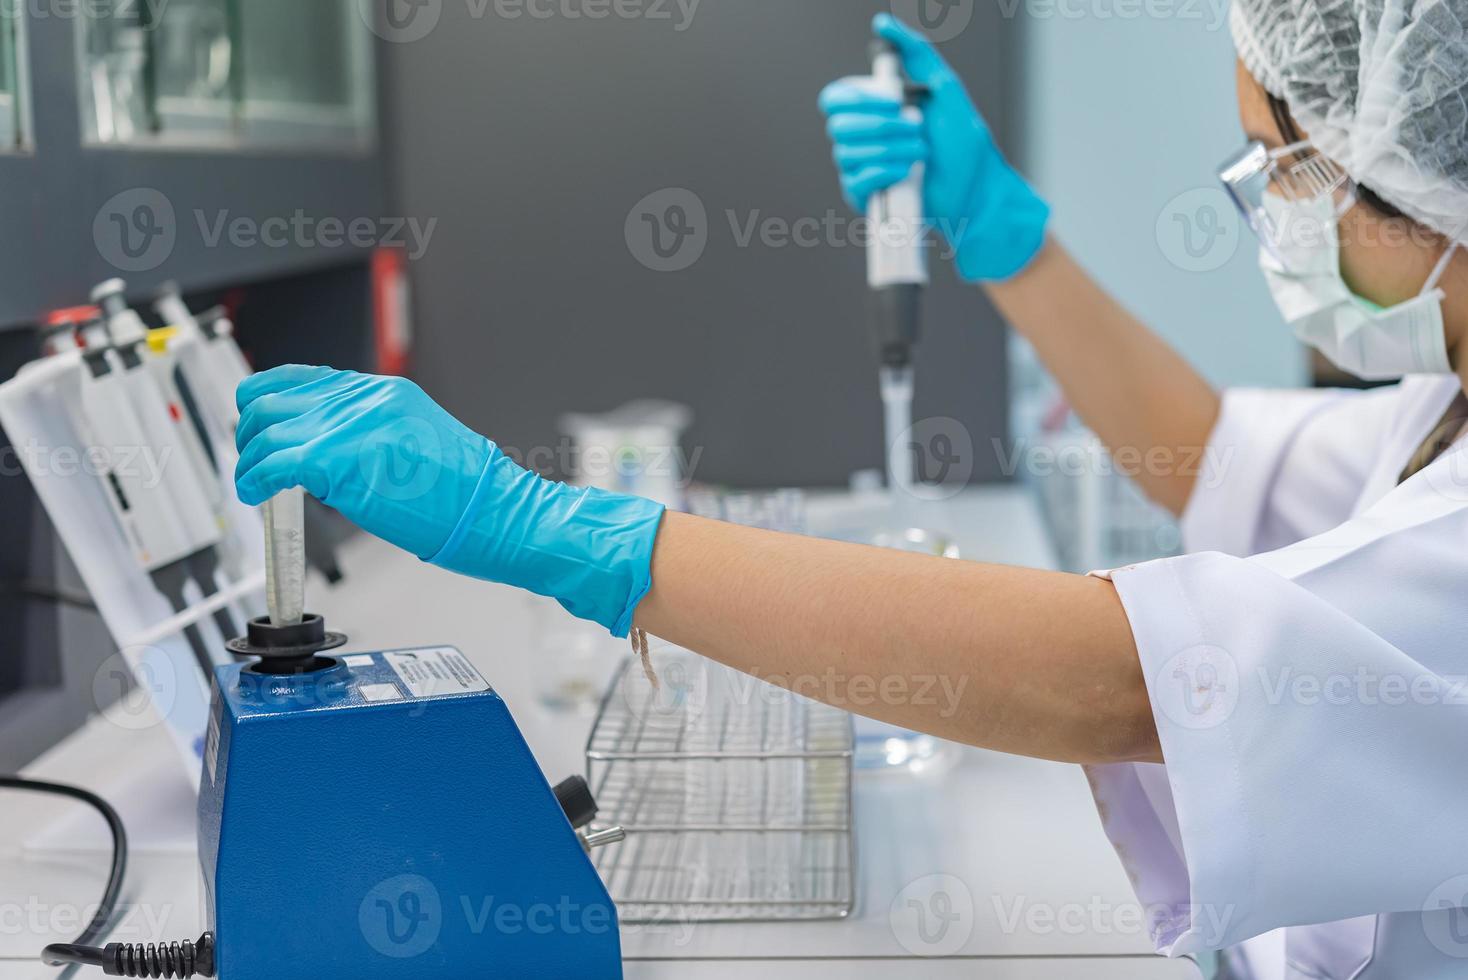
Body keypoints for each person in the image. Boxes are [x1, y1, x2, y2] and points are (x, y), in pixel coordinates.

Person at [233, 4, 1468, 976]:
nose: (1272, 209)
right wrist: (1004, 235)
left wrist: (552, 527)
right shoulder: (1438, 400)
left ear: (1421, 163)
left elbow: (1119, 679)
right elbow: (1203, 454)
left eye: (1285, 163)